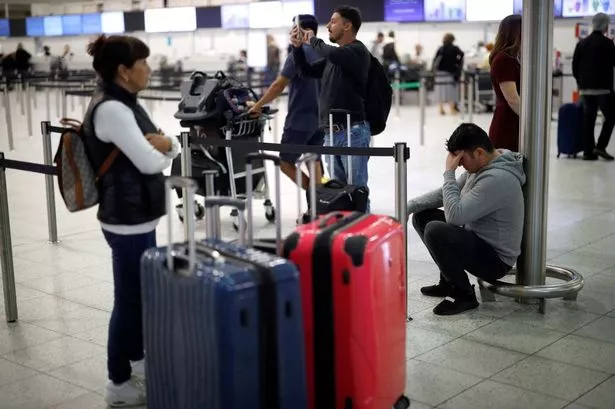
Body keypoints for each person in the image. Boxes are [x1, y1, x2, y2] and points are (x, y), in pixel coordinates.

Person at [83, 34, 180, 407]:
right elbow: (150, 160)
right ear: (124, 71)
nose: (149, 69)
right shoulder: (112, 109)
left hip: (137, 215)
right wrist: (169, 146)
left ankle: (137, 366)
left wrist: (164, 143)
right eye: (143, 64)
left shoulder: (125, 100)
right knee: (128, 300)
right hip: (126, 219)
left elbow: (159, 143)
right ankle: (118, 382)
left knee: (137, 298)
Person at [407, 123, 526, 316]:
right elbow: (443, 195)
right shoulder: (482, 166)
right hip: (477, 240)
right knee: (423, 216)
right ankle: (448, 282)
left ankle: (464, 295)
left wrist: (449, 173)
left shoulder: (497, 179)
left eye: (462, 160)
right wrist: (410, 206)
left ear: (479, 152)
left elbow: (454, 217)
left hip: (495, 260)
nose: (460, 165)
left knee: (436, 230)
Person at [290, 5, 372, 210]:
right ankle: (344, 232)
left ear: (347, 25)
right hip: (331, 133)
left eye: (333, 21)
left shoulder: (356, 51)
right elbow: (305, 71)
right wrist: (297, 48)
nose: (327, 25)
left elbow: (333, 54)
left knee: (357, 190)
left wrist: (312, 40)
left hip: (352, 132)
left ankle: (362, 234)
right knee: (340, 192)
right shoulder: (332, 58)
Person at [248, 15, 324, 203]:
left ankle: (316, 197)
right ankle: (320, 206)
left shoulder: (298, 54)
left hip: (299, 118)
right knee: (314, 160)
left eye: (294, 29)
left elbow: (278, 85)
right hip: (320, 119)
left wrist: (258, 105)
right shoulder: (323, 52)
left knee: (285, 162)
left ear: (301, 30)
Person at [572, 12, 615, 161]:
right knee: (610, 117)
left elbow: (574, 66)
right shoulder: (609, 43)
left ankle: (588, 152)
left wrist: (581, 82)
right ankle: (601, 146)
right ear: (605, 26)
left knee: (588, 120)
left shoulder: (582, 43)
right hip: (603, 89)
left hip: (585, 89)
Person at [489, 14, 522, 152]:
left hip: (512, 120)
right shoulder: (504, 60)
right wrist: (532, 121)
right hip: (508, 124)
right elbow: (513, 99)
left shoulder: (512, 58)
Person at [432, 33, 464, 115]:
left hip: (440, 73)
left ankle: (441, 109)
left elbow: (435, 60)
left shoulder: (441, 48)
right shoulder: (455, 49)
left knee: (440, 91)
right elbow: (462, 55)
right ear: (452, 40)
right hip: (450, 73)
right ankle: (452, 110)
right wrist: (457, 62)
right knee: (452, 92)